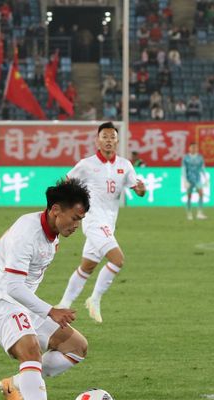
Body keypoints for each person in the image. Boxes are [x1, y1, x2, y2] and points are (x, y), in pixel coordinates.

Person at [0, 178, 91, 400]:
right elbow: (13, 286)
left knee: (76, 348)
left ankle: (15, 384)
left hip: (22, 301)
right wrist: (51, 311)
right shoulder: (29, 233)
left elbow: (2, 243)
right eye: (75, 218)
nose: (77, 225)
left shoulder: (51, 233)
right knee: (30, 349)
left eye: (80, 220)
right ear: (56, 210)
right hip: (2, 302)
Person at [57, 122, 146, 323]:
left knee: (86, 267)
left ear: (117, 141)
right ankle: (95, 299)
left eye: (112, 137)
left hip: (109, 224)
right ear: (97, 140)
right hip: (93, 221)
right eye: (104, 137)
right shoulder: (86, 165)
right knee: (118, 260)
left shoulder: (125, 165)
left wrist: (141, 189)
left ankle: (63, 304)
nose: (108, 141)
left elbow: (138, 190)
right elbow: (65, 183)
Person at [181, 142, 207, 220]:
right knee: (189, 196)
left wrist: (205, 178)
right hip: (189, 179)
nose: (194, 149)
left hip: (197, 178)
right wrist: (185, 180)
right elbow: (184, 169)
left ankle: (199, 213)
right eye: (192, 148)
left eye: (195, 148)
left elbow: (202, 168)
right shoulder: (186, 158)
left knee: (201, 193)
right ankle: (189, 213)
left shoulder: (200, 157)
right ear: (189, 149)